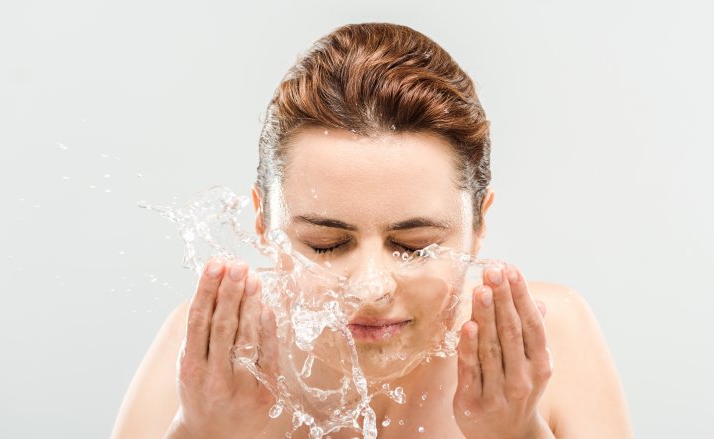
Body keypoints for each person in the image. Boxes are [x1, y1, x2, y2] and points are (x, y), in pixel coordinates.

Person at [110, 22, 633, 438]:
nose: (369, 286)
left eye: (413, 245)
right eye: (326, 244)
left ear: (478, 226)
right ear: (264, 224)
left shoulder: (551, 338)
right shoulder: (206, 356)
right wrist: (201, 436)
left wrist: (518, 435)